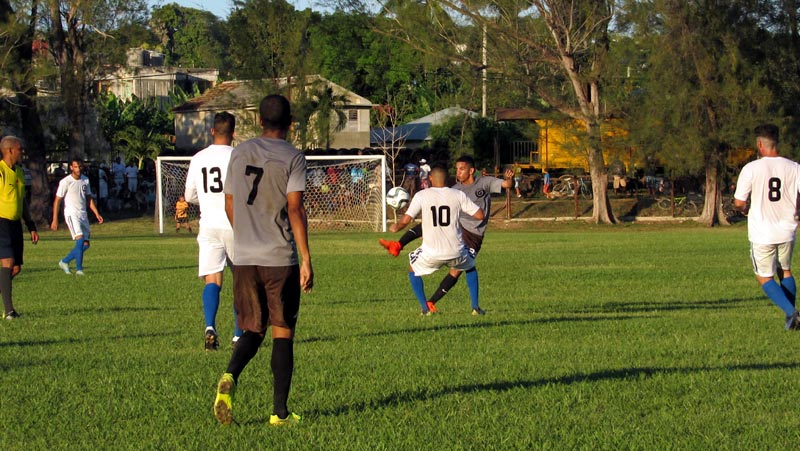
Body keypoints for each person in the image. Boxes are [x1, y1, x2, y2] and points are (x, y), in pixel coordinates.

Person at [213, 94, 314, 427]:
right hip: (278, 257)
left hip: (244, 257)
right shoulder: (292, 156)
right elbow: (295, 209)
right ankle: (279, 413)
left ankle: (229, 375)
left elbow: (230, 204)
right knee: (282, 331)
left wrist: (245, 238)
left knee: (253, 328)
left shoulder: (240, 152)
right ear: (291, 123)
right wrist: (306, 258)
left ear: (259, 120)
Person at [379, 155, 514, 314]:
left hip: (471, 235)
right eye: (456, 169)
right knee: (468, 265)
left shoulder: (484, 182)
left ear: (471, 170)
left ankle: (429, 304)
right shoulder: (456, 191)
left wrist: (509, 179)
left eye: (461, 169)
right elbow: (477, 214)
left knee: (448, 271)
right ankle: (398, 245)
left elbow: (506, 185)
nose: (458, 172)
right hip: (457, 236)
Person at [388, 166, 484, 315]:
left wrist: (397, 226)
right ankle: (475, 308)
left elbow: (406, 220)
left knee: (412, 269)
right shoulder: (458, 195)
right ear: (447, 179)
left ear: (431, 178)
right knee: (470, 267)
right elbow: (480, 215)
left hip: (431, 252)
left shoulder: (422, 195)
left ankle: (425, 308)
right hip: (456, 251)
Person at [184, 112, 242, 351]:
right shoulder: (239, 156)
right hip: (235, 224)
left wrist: (208, 201)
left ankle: (210, 326)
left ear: (212, 131)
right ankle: (238, 335)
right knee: (241, 281)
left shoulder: (198, 158)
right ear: (234, 133)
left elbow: (189, 196)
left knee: (212, 279)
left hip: (208, 225)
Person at [734, 124, 800, 330]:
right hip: (787, 229)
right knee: (785, 271)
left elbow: (739, 202)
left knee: (764, 276)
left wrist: (744, 208)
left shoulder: (751, 168)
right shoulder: (794, 167)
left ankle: (792, 312)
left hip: (762, 232)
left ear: (760, 144)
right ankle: (791, 320)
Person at [51, 158, 103, 275]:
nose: (78, 169)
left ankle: (65, 261)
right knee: (80, 240)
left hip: (82, 214)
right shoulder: (65, 182)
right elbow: (57, 200)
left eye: (80, 166)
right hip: (71, 213)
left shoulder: (85, 180)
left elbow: (89, 198)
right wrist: (55, 219)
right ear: (71, 167)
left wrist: (96, 213)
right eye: (75, 167)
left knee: (86, 244)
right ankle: (79, 270)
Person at [0, 136, 31, 319]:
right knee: (7, 262)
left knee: (16, 268)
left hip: (15, 224)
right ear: (10, 150)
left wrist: (30, 224)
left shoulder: (19, 172)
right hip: (1, 222)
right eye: (20, 149)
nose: (22, 152)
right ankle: (9, 311)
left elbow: (22, 200)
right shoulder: (1, 171)